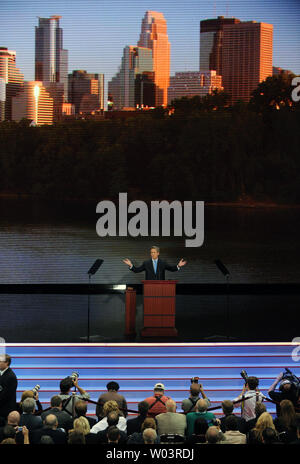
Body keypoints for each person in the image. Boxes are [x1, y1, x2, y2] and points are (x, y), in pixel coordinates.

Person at [123, 246, 187, 280]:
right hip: (149, 287)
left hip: (161, 287)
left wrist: (178, 265)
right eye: (151, 252)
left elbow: (171, 268)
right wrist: (130, 265)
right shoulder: (146, 263)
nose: (152, 254)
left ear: (158, 253)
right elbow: (137, 270)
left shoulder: (163, 263)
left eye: (154, 252)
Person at [0, 354, 18, 422]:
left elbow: (5, 396)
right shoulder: (1, 373)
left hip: (5, 412)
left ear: (6, 363)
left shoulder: (11, 377)